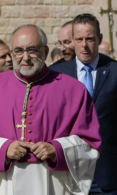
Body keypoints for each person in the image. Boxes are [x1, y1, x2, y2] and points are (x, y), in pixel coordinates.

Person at [0, 24, 101, 195]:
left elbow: (90, 143)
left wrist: (58, 149)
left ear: (45, 51)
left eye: (32, 50)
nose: (25, 57)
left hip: (53, 181)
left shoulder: (74, 90)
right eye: (18, 51)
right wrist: (3, 149)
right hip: (7, 181)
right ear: (11, 54)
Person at [50, 13, 117, 195]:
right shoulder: (55, 75)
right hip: (66, 171)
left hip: (106, 174)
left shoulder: (114, 71)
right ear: (72, 40)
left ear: (99, 39)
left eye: (89, 39)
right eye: (79, 39)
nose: (84, 45)